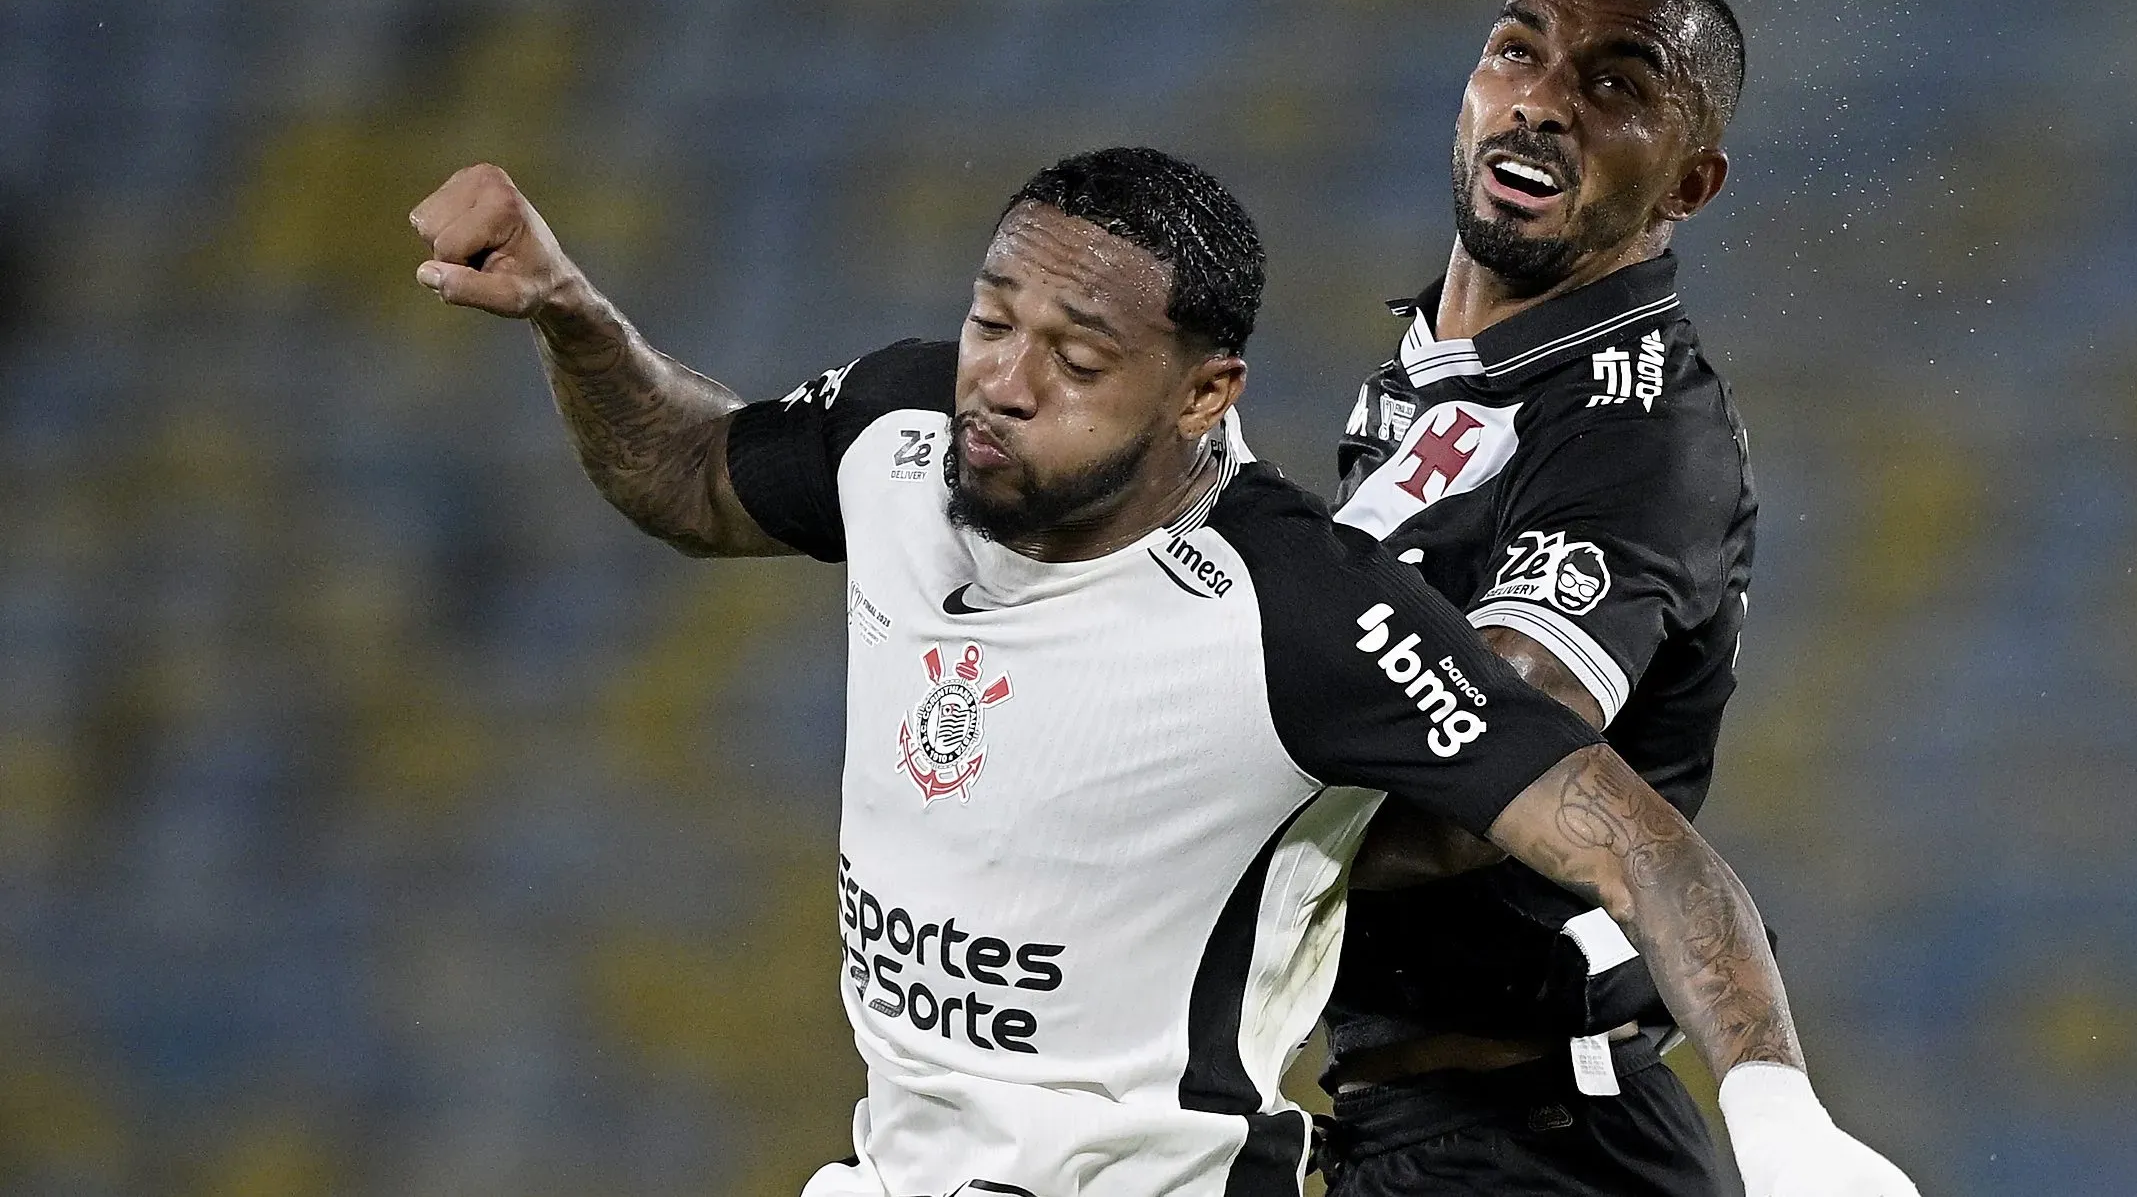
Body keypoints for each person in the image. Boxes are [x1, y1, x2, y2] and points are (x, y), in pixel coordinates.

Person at [406, 147, 1912, 1197]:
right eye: (993, 318)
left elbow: (1637, 841)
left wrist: (1782, 1118)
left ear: (1206, 394)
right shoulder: (902, 428)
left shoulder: (1295, 610)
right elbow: (690, 474)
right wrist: (572, 314)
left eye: (1076, 359)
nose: (1005, 380)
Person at [1317, 0, 1766, 1197]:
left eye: (1617, 84)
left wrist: (1158, 836)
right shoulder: (1432, 373)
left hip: (1539, 1144)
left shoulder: (1637, 428)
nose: (1544, 100)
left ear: (1689, 181)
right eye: (1518, 50)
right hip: (1419, 1127)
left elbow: (1485, 766)